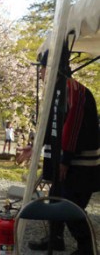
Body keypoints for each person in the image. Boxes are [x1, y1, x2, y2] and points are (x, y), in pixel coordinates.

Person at [17, 52, 100, 254]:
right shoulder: (60, 92)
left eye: (42, 68)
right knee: (54, 199)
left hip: (81, 165)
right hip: (69, 162)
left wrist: (65, 159)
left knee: (71, 208)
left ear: (53, 68)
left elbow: (73, 126)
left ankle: (86, 248)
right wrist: (35, 146)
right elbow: (52, 127)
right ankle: (55, 240)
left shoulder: (74, 90)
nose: (40, 74)